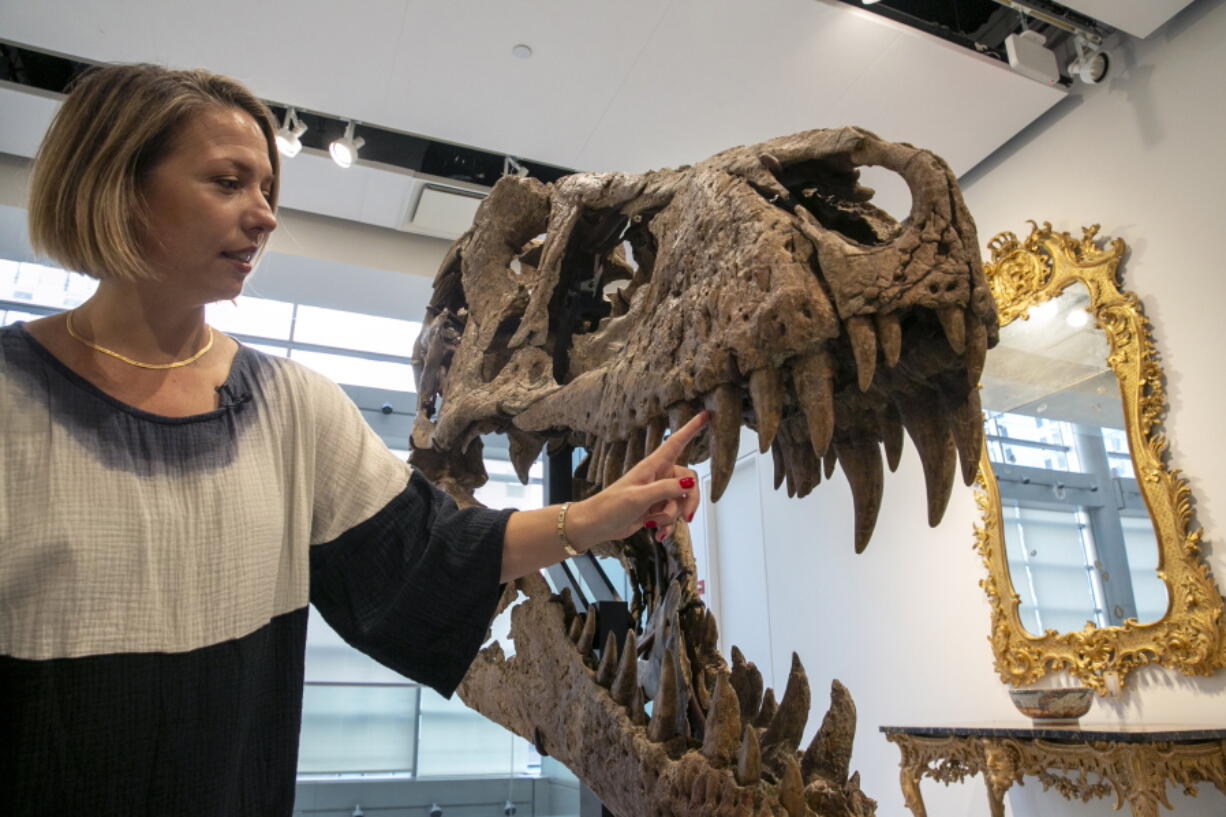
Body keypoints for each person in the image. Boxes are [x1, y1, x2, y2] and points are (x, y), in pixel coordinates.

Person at [0, 63, 706, 815]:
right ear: (121, 186)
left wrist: (598, 516)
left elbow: (431, 552)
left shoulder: (292, 407)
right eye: (228, 182)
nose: (265, 215)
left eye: (268, 189)